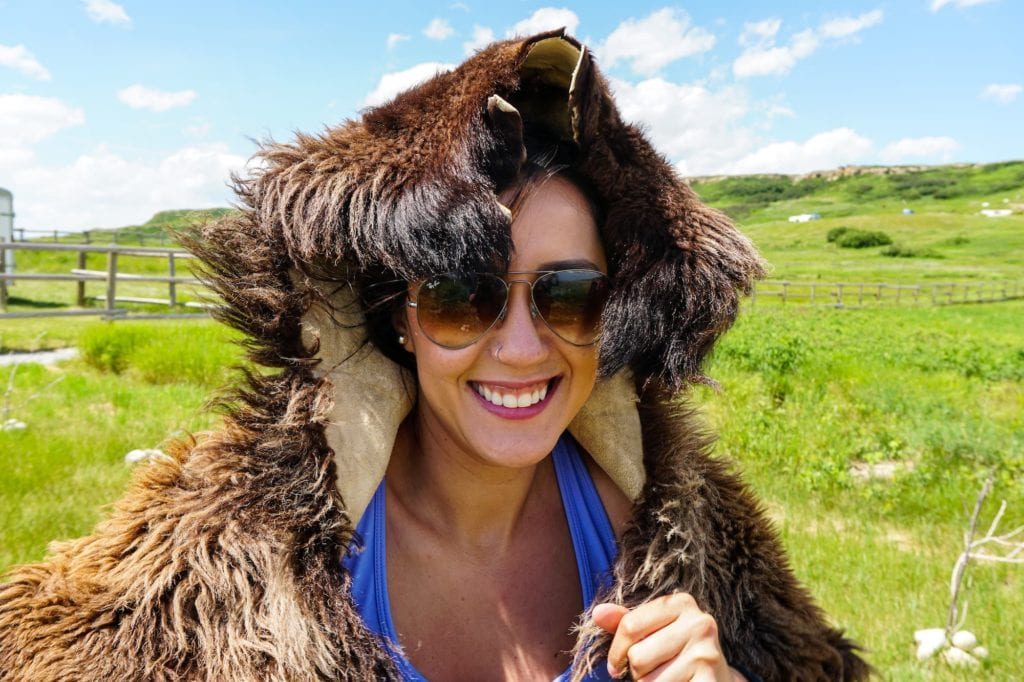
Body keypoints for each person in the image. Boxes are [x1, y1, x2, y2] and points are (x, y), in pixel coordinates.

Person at [0, 30, 870, 681]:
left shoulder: (698, 537)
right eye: (464, 296)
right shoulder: (219, 554)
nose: (522, 347)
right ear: (399, 319)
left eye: (569, 296)